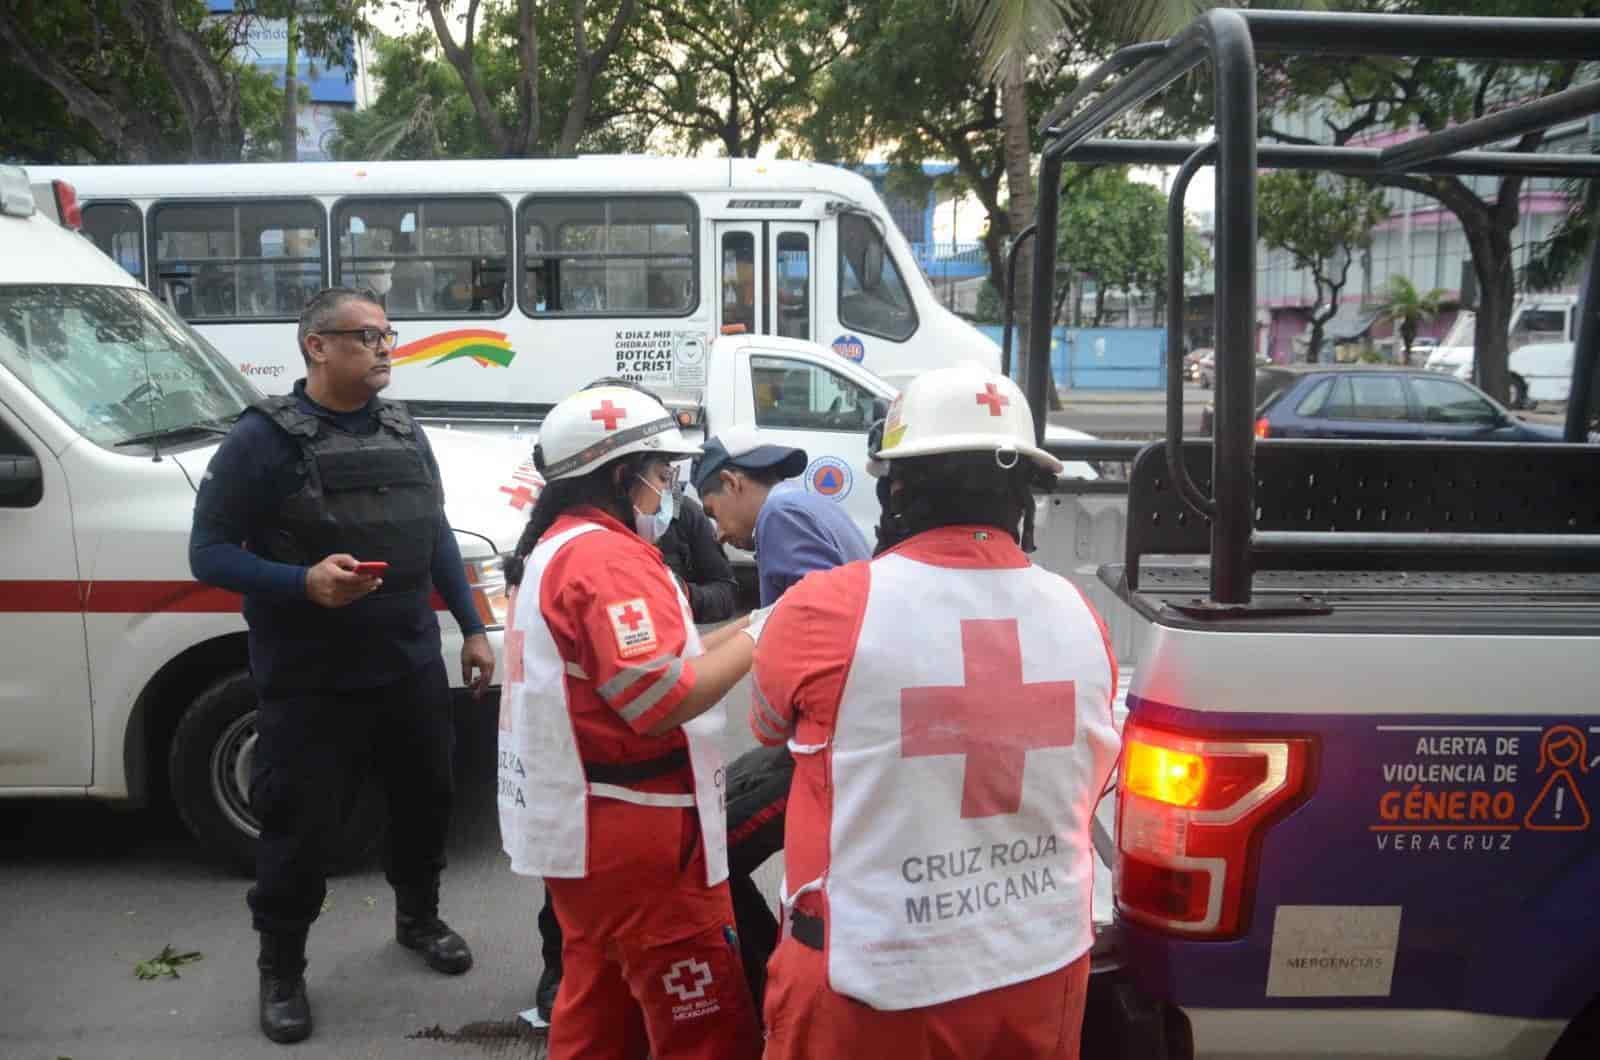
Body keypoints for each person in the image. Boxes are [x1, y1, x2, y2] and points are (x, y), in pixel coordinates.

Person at [750, 362, 1122, 1059]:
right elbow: (1092, 776)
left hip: (869, 988)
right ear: (1023, 495)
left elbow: (769, 730)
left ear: (897, 486)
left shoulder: (824, 610)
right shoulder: (1082, 618)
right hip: (1041, 970)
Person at [188, 287, 496, 1046]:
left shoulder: (402, 427)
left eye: (388, 333)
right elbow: (208, 554)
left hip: (408, 664)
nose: (385, 347)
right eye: (365, 336)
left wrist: (473, 627)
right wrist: (301, 583)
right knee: (300, 825)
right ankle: (281, 968)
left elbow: (437, 535)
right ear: (317, 347)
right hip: (310, 676)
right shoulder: (261, 440)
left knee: (425, 799)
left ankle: (417, 919)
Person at [499, 382, 765, 1060]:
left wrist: (758, 623)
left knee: (600, 1005)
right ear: (623, 475)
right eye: (662, 472)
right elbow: (657, 700)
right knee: (701, 1023)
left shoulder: (560, 548)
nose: (670, 488)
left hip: (588, 829)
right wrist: (762, 641)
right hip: (641, 833)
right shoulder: (607, 560)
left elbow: (663, 658)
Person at [691, 424, 872, 608]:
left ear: (731, 483)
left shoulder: (779, 515)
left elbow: (815, 620)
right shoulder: (803, 503)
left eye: (713, 513)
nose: (719, 535)